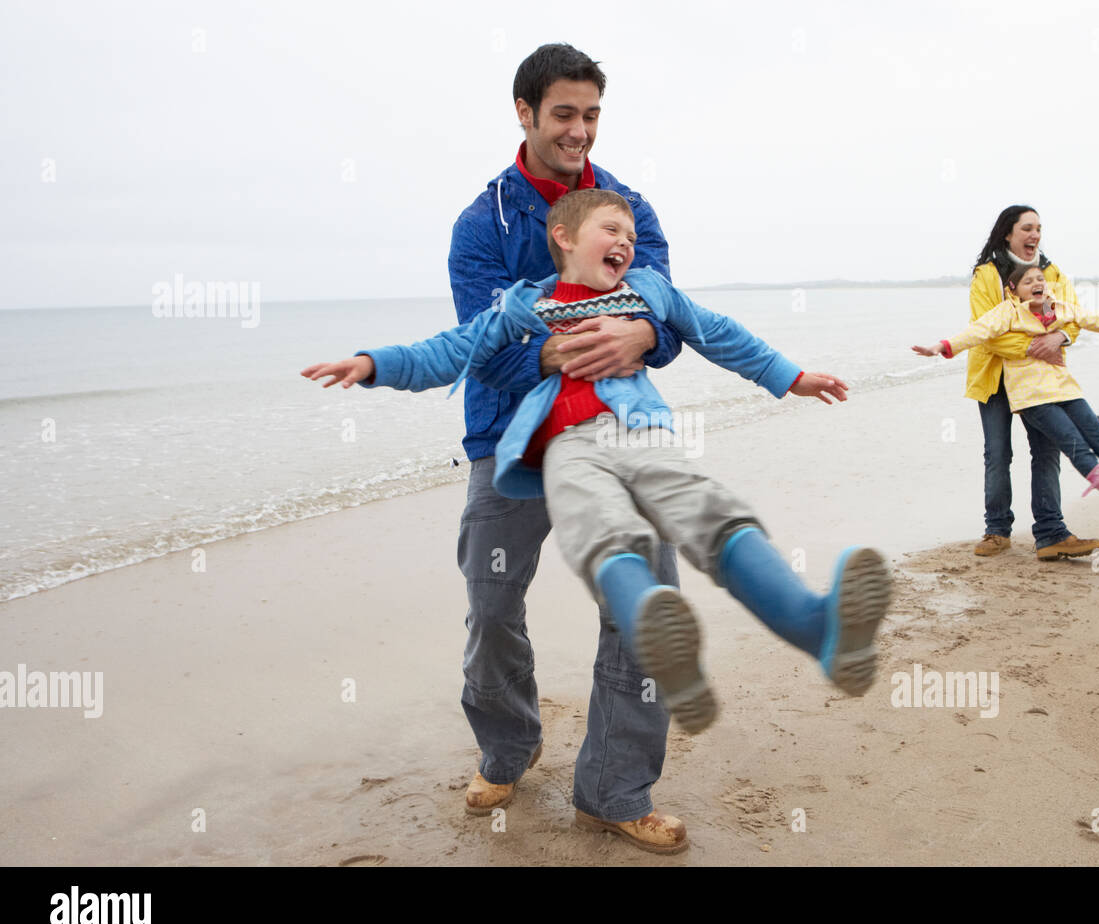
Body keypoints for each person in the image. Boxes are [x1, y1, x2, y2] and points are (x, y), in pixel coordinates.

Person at [303, 189, 893, 851]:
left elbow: (718, 332)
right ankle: (616, 686)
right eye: (611, 230)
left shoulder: (648, 290)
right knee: (598, 544)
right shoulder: (523, 304)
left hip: (642, 434)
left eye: (632, 235)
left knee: (715, 514)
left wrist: (792, 376)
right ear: (561, 236)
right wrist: (373, 364)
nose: (627, 241)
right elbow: (452, 349)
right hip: (567, 448)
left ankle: (818, 630)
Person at [447, 43, 687, 850]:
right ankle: (507, 745)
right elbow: (483, 344)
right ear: (524, 112)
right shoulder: (482, 226)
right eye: (563, 114)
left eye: (590, 114)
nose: (579, 130)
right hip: (507, 443)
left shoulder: (630, 211)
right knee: (492, 605)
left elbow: (666, 319)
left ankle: (615, 789)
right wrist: (558, 349)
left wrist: (646, 330)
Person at [914, 263, 1099, 522]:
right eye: (1028, 281)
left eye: (1040, 279)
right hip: (1032, 396)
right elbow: (979, 332)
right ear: (1014, 289)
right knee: (1077, 447)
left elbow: (1094, 319)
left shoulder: (1059, 308)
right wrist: (942, 346)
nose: (1036, 284)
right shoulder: (1008, 312)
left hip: (1064, 388)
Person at [968, 205, 1099, 560]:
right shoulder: (986, 274)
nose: (1035, 235)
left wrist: (1059, 339)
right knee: (998, 454)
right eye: (1027, 228)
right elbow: (986, 332)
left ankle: (1051, 533)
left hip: (1039, 380)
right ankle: (996, 531)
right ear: (1008, 233)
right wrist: (1033, 345)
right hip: (995, 376)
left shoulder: (1052, 271)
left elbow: (1071, 317)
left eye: (1039, 228)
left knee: (1046, 453)